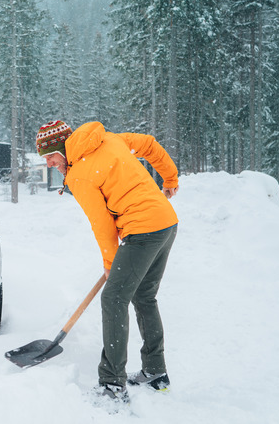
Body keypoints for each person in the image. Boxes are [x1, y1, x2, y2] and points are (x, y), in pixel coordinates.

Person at [36, 120, 179, 403]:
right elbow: (149, 144)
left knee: (113, 299)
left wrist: (110, 261)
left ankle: (112, 385)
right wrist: (170, 178)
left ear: (63, 149)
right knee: (144, 296)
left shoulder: (80, 176)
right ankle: (155, 371)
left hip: (142, 230)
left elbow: (102, 225)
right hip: (166, 223)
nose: (50, 163)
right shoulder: (109, 139)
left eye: (51, 157)